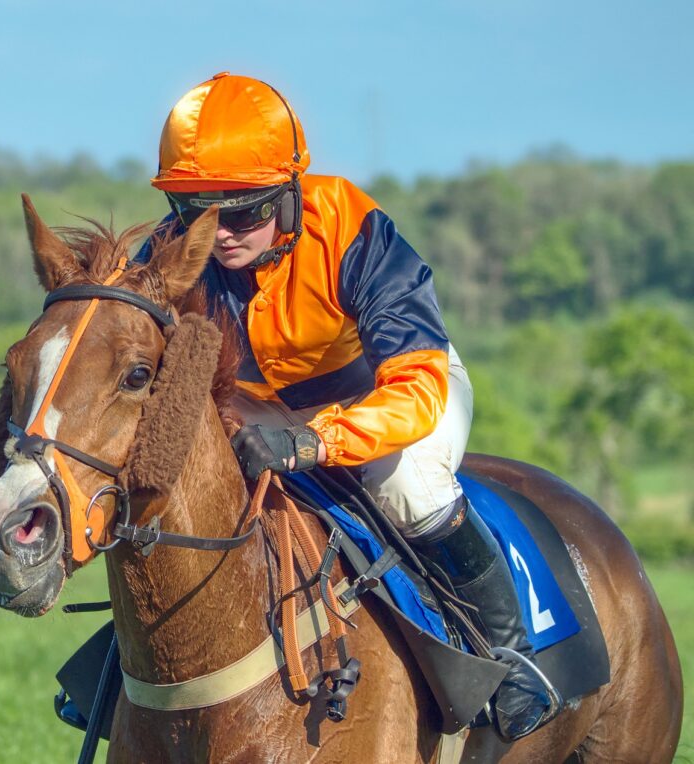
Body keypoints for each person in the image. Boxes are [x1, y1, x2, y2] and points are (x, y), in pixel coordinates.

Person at [137, 72, 555, 741]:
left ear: (290, 192)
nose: (218, 234)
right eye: (196, 210)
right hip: (258, 408)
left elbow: (416, 388)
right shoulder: (167, 253)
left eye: (242, 211)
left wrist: (313, 444)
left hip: (390, 392)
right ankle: (128, 673)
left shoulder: (353, 229)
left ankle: (510, 661)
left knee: (407, 486)